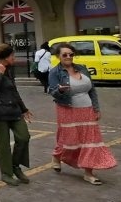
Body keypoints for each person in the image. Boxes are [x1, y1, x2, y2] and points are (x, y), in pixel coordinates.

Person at [47, 42, 117, 185]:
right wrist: (59, 90)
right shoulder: (55, 72)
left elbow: (92, 90)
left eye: (71, 54)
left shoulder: (82, 69)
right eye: (64, 55)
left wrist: (96, 109)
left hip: (87, 110)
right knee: (69, 141)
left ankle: (88, 173)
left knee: (90, 142)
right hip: (67, 110)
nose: (68, 57)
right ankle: (57, 156)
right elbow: (52, 93)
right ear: (58, 56)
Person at [0, 44, 33, 186]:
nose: (14, 58)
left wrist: (23, 109)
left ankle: (15, 166)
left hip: (14, 111)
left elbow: (14, 90)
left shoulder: (10, 70)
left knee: (24, 137)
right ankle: (6, 173)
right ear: (5, 57)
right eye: (13, 56)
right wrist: (0, 73)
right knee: (3, 144)